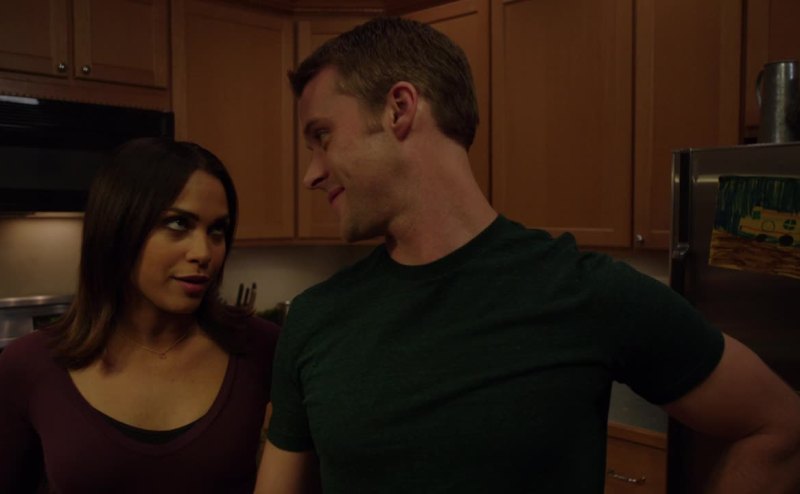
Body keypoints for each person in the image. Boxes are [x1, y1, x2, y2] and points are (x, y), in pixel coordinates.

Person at [255, 17, 800, 494]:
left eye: (322, 136)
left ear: (399, 108)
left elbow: (780, 425)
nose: (311, 173)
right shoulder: (314, 319)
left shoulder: (583, 291)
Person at [0, 138, 280, 493]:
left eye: (217, 230)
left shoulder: (263, 348)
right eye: (178, 224)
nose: (204, 252)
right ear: (119, 228)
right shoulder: (28, 365)